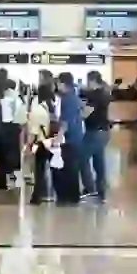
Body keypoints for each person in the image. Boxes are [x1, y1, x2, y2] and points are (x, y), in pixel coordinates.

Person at [80, 71, 111, 201]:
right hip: (104, 131)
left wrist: (79, 109)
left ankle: (90, 188)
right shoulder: (105, 93)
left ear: (92, 80)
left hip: (94, 132)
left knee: (82, 158)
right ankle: (101, 191)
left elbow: (85, 114)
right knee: (99, 162)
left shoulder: (94, 95)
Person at [54, 72, 83, 204]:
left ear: (63, 83)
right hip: (77, 136)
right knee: (73, 167)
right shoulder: (75, 97)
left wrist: (58, 137)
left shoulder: (66, 99)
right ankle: (73, 196)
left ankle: (68, 197)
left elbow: (65, 122)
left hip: (69, 139)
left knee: (68, 168)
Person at [26, 84, 56, 205]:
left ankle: (37, 196)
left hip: (39, 143)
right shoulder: (51, 108)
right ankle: (47, 193)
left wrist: (28, 147)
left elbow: (33, 132)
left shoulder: (37, 110)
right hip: (50, 142)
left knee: (38, 170)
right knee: (45, 168)